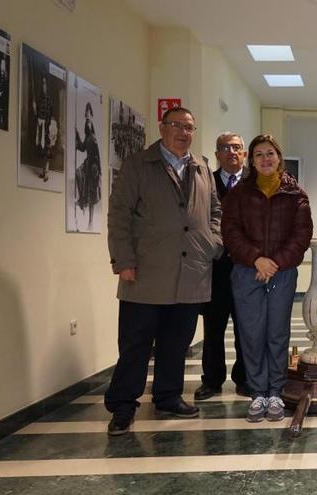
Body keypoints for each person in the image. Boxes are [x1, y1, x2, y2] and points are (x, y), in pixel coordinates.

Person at [105, 107, 222, 435]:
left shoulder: (201, 167)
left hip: (191, 273)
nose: (183, 133)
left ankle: (168, 396)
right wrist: (123, 260)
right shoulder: (138, 165)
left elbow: (215, 210)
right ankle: (123, 405)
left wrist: (214, 242)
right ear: (162, 127)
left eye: (189, 127)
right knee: (135, 344)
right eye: (177, 126)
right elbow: (119, 215)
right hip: (146, 272)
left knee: (176, 342)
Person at [222, 134, 312, 422]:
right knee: (251, 334)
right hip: (247, 272)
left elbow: (301, 236)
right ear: (251, 159)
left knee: (277, 333)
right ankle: (257, 393)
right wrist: (256, 259)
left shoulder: (296, 194)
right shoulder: (239, 194)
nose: (265, 159)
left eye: (270, 153)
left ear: (279, 157)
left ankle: (276, 391)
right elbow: (231, 232)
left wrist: (275, 262)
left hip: (282, 273)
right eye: (259, 154)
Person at [194, 132, 250, 401]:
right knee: (213, 329)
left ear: (245, 153)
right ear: (217, 154)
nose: (232, 152)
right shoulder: (206, 183)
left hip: (246, 269)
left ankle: (244, 378)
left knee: (245, 328)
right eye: (225, 148)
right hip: (215, 268)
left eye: (237, 148)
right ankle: (212, 380)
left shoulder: (254, 183)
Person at [74, 102, 102, 231]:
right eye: (86, 122)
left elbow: (97, 156)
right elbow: (81, 147)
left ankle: (90, 222)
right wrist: (77, 134)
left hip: (93, 168)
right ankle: (81, 199)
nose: (88, 123)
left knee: (91, 194)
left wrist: (98, 171)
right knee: (78, 173)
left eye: (89, 121)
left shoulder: (94, 138)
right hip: (88, 164)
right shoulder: (88, 137)